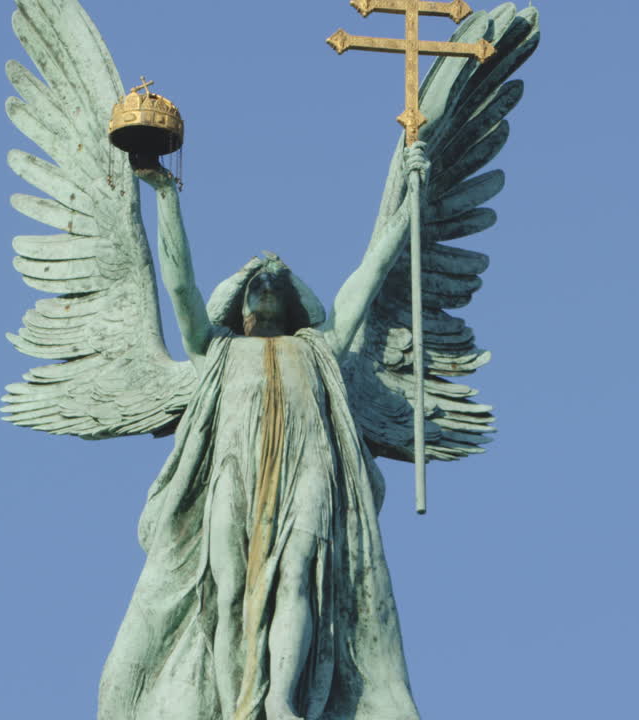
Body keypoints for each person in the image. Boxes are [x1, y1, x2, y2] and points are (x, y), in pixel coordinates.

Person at [96, 145, 430, 720]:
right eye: (256, 286)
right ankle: (237, 703)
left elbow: (367, 276)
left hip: (309, 467)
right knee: (229, 588)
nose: (266, 291)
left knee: (299, 571)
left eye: (275, 285)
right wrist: (167, 197)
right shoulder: (216, 349)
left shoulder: (319, 348)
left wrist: (411, 201)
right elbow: (180, 289)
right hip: (233, 472)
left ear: (296, 300)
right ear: (237, 301)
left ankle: (280, 701)